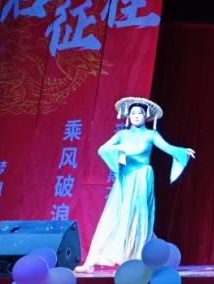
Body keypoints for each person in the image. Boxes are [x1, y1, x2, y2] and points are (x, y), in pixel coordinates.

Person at [79, 97, 195, 271]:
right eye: (132, 113)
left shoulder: (151, 135)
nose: (135, 116)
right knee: (113, 216)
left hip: (142, 177)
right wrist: (119, 152)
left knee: (138, 216)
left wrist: (182, 151)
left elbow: (168, 148)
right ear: (128, 116)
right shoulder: (122, 135)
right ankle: (90, 262)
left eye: (139, 113)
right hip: (125, 178)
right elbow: (102, 149)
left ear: (145, 116)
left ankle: (136, 258)